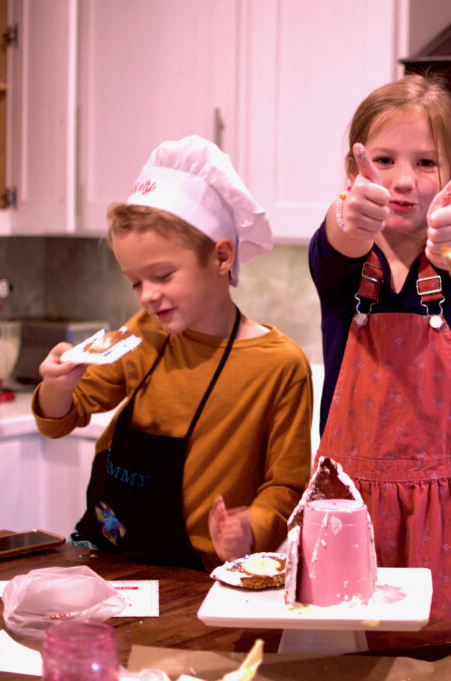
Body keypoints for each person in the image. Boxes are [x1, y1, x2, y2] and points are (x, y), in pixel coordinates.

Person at [34, 135, 313, 570]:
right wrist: (57, 385)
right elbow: (61, 420)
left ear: (222, 256)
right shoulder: (144, 334)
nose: (147, 296)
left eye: (162, 275)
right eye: (135, 281)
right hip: (111, 559)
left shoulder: (279, 365)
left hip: (202, 575)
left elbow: (287, 488)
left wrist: (248, 529)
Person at [308, 73, 451, 617]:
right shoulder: (341, 266)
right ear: (353, 172)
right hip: (347, 511)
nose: (404, 180)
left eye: (426, 162)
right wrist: (348, 218)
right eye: (383, 160)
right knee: (340, 655)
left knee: (442, 659)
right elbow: (336, 238)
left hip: (445, 513)